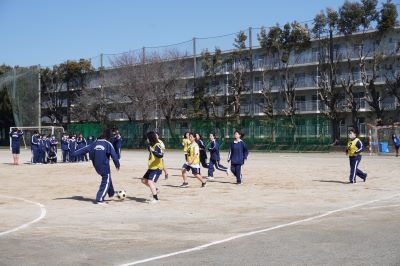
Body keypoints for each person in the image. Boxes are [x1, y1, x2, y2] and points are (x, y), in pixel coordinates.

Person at [72, 130, 120, 204]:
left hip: (96, 166)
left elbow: (83, 150)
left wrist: (73, 153)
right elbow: (114, 156)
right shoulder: (108, 144)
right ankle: (99, 198)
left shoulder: (93, 144)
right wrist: (117, 164)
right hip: (104, 165)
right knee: (106, 180)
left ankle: (111, 193)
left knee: (107, 178)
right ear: (107, 138)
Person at [142, 132, 164, 204]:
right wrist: (149, 147)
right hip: (151, 167)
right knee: (143, 180)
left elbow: (161, 155)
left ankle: (156, 199)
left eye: (148, 138)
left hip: (157, 168)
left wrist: (153, 151)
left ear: (151, 138)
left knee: (150, 182)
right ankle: (156, 190)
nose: (147, 139)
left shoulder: (157, 145)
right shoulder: (150, 145)